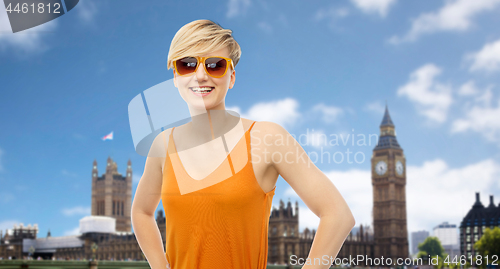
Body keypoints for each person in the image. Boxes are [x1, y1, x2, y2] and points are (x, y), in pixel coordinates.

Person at [131, 19, 355, 269]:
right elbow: (141, 212)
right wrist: (159, 266)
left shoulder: (266, 138)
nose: (201, 75)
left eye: (215, 65)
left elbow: (338, 215)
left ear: (231, 77)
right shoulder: (163, 145)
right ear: (176, 76)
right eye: (188, 64)